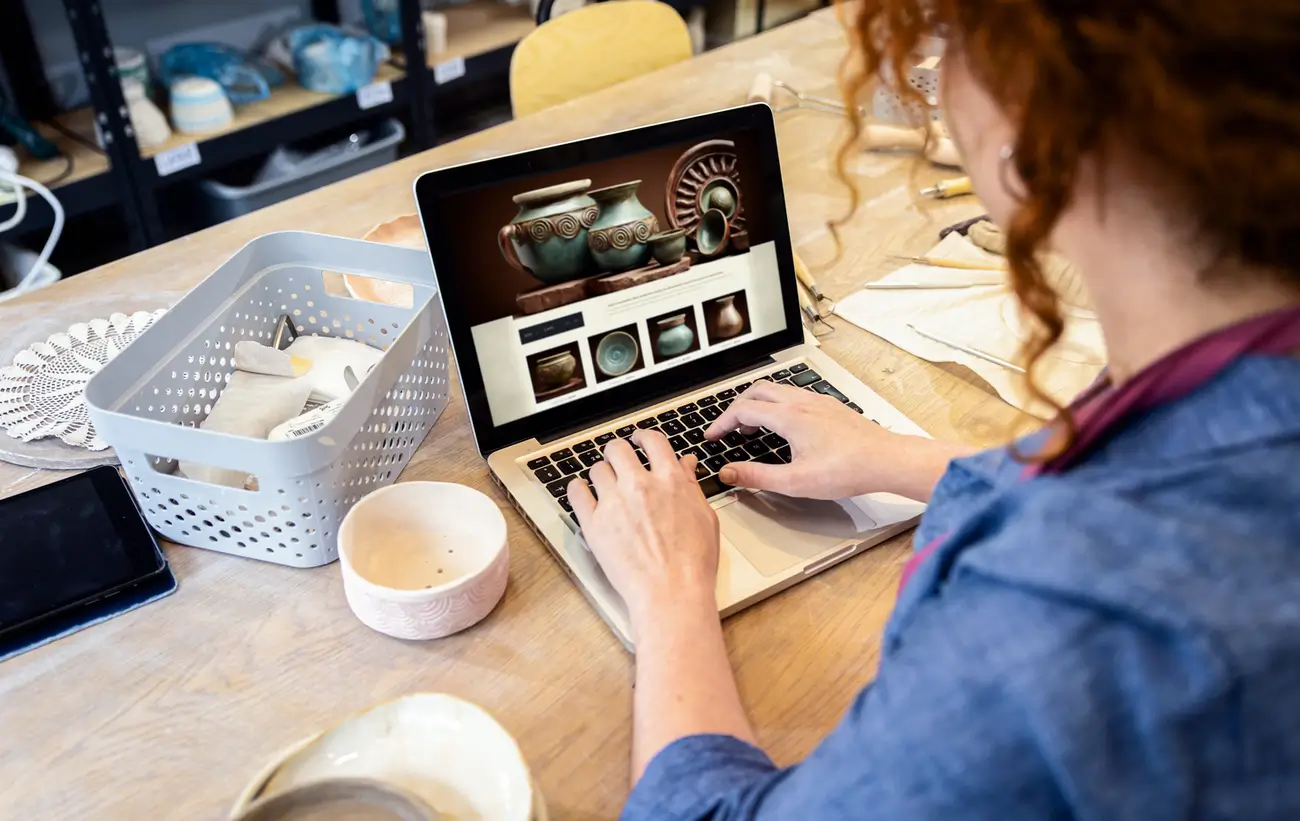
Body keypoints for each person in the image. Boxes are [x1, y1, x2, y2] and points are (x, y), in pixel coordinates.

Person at [566, 0, 1300, 818]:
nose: (936, 83)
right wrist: (900, 457)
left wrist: (668, 592)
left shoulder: (1064, 612)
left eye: (950, 45)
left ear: (1044, 125)